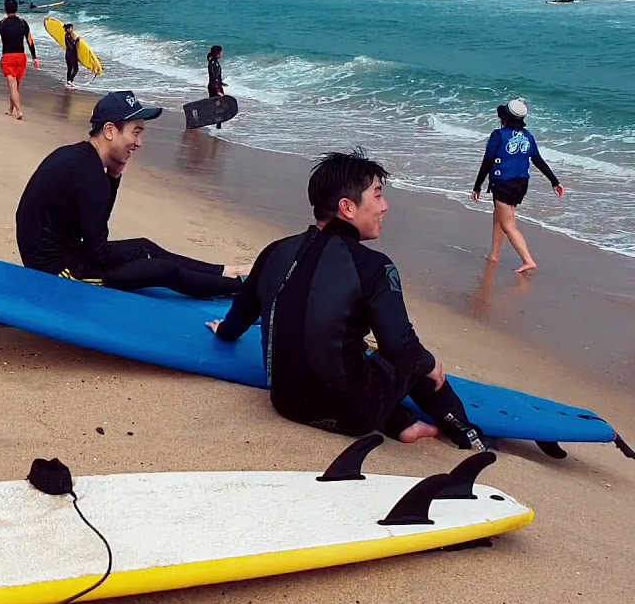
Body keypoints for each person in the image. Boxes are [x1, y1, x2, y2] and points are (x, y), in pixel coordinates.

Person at [208, 150, 486, 450]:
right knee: (412, 358)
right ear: (347, 208)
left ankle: (403, 422)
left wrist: (223, 330)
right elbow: (400, 348)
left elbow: (241, 316)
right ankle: (466, 434)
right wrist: (429, 364)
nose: (385, 206)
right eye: (378, 196)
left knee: (362, 351)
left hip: (285, 403)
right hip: (353, 416)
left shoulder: (275, 251)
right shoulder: (374, 266)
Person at [15, 91, 249, 298]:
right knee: (163, 270)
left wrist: (114, 177)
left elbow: (95, 224)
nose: (139, 143)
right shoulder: (89, 174)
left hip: (61, 257)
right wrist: (139, 254)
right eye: (135, 132)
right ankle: (245, 289)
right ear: (109, 131)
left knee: (145, 247)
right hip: (57, 274)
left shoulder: (80, 159)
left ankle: (225, 271)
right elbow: (99, 252)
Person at [472, 98, 563, 273]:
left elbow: (488, 161)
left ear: (504, 118)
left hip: (504, 183)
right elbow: (537, 160)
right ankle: (494, 254)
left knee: (508, 225)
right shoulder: (528, 136)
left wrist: (477, 186)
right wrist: (554, 181)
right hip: (521, 184)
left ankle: (528, 260)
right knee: (499, 216)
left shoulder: (498, 135)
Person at [0, 0, 39, 120]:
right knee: (16, 86)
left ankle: (19, 111)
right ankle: (10, 109)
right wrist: (35, 57)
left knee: (12, 86)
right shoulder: (23, 22)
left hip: (8, 57)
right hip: (21, 57)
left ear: (5, 9)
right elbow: (30, 41)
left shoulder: (2, 23)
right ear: (17, 8)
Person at [206, 45, 226, 129]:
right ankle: (217, 127)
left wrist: (222, 83)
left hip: (215, 85)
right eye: (221, 51)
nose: (223, 53)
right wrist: (218, 90)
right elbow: (214, 77)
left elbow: (217, 77)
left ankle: (217, 127)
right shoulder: (214, 63)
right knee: (218, 106)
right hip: (214, 87)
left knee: (217, 106)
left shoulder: (214, 62)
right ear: (217, 54)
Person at [63, 23, 80, 89]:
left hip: (68, 54)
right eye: (71, 28)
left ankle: (68, 82)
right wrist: (77, 40)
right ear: (67, 29)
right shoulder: (68, 36)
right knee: (76, 69)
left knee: (69, 69)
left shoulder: (67, 35)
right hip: (72, 55)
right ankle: (70, 81)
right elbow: (72, 46)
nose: (72, 29)